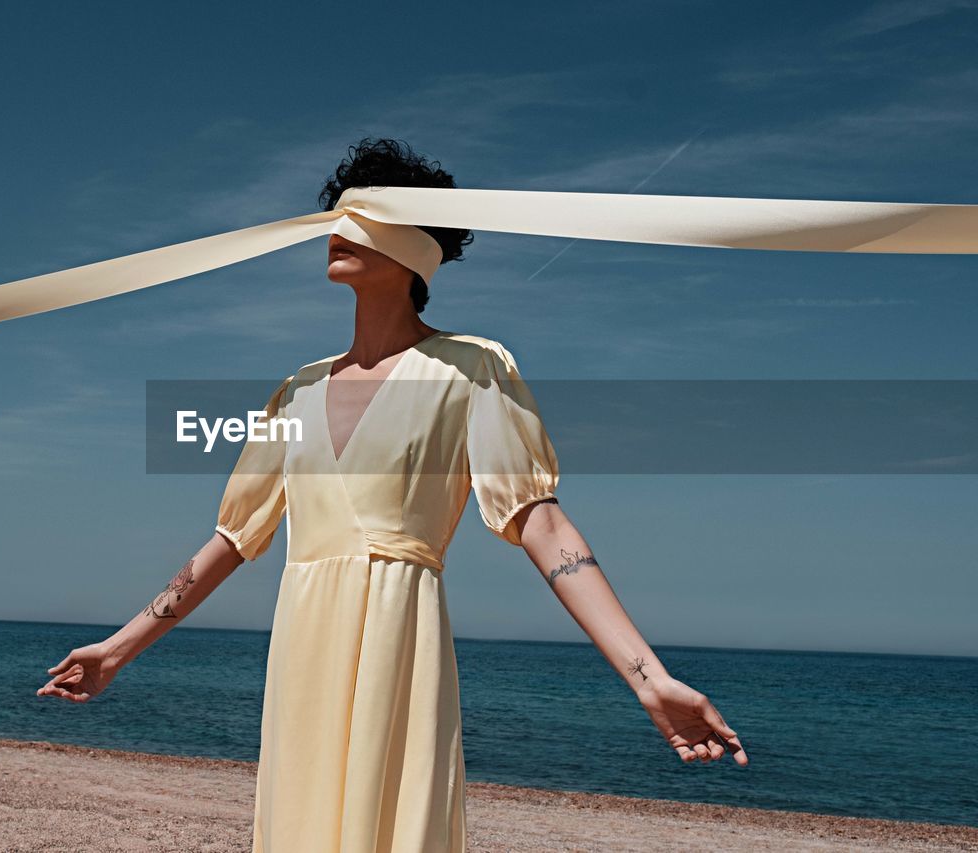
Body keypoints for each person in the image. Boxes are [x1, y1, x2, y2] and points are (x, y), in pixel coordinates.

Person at [37, 137, 747, 852]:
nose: (337, 231)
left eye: (363, 216)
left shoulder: (471, 369)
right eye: (336, 216)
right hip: (305, 644)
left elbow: (543, 523)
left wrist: (648, 677)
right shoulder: (299, 389)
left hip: (399, 640)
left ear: (415, 249)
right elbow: (232, 538)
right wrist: (119, 649)